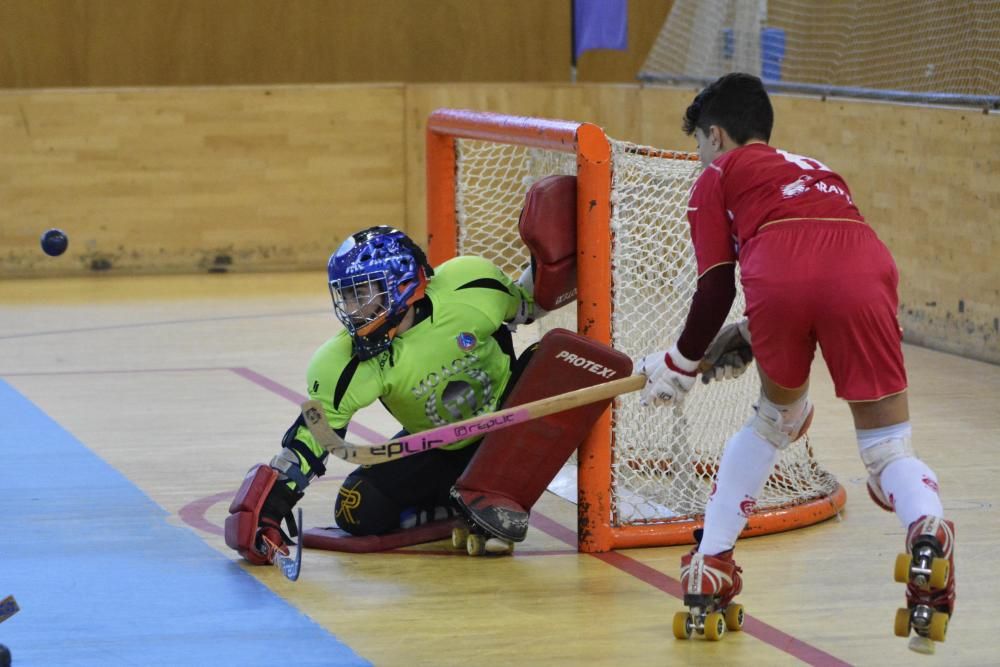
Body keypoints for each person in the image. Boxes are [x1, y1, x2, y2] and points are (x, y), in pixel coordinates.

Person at [636, 73, 954, 648]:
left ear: (717, 135)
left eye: (700, 144)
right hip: (864, 263)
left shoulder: (716, 175)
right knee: (886, 451)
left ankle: (711, 562)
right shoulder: (816, 168)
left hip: (779, 270)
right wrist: (748, 331)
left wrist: (680, 364)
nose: (698, 157)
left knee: (774, 421)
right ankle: (926, 525)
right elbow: (822, 253)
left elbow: (715, 286)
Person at [225, 225, 545, 562]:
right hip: (440, 444)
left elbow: (527, 304)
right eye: (345, 296)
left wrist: (553, 260)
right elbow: (314, 437)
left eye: (361, 293)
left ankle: (492, 486)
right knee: (356, 508)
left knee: (548, 359)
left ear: (401, 282)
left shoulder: (469, 284)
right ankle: (461, 497)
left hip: (512, 420)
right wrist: (270, 508)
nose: (351, 308)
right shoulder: (341, 362)